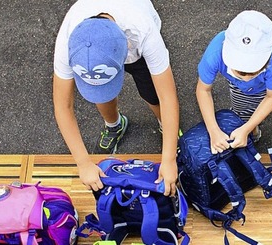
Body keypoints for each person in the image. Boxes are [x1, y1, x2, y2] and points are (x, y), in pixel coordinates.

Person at [52, 0, 179, 196]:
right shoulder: (69, 41)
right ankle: (114, 125)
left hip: (139, 49)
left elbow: (167, 96)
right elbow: (63, 106)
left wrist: (169, 159)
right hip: (107, 46)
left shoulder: (143, 31)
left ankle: (165, 124)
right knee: (101, 95)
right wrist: (83, 163)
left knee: (151, 93)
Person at [195, 10, 272, 179]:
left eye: (252, 72)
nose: (246, 78)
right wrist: (213, 130)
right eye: (240, 72)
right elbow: (203, 89)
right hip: (241, 91)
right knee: (242, 117)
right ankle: (251, 134)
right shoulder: (214, 54)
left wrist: (246, 127)